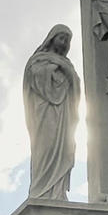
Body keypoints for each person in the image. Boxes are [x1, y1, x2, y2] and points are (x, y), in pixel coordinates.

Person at [23, 24, 81, 200]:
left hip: (64, 114)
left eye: (67, 41)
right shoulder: (38, 60)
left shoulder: (67, 64)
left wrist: (67, 72)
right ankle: (41, 191)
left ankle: (57, 192)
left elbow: (75, 86)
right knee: (45, 149)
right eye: (61, 38)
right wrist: (53, 67)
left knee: (64, 149)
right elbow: (34, 78)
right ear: (52, 38)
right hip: (44, 112)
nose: (63, 43)